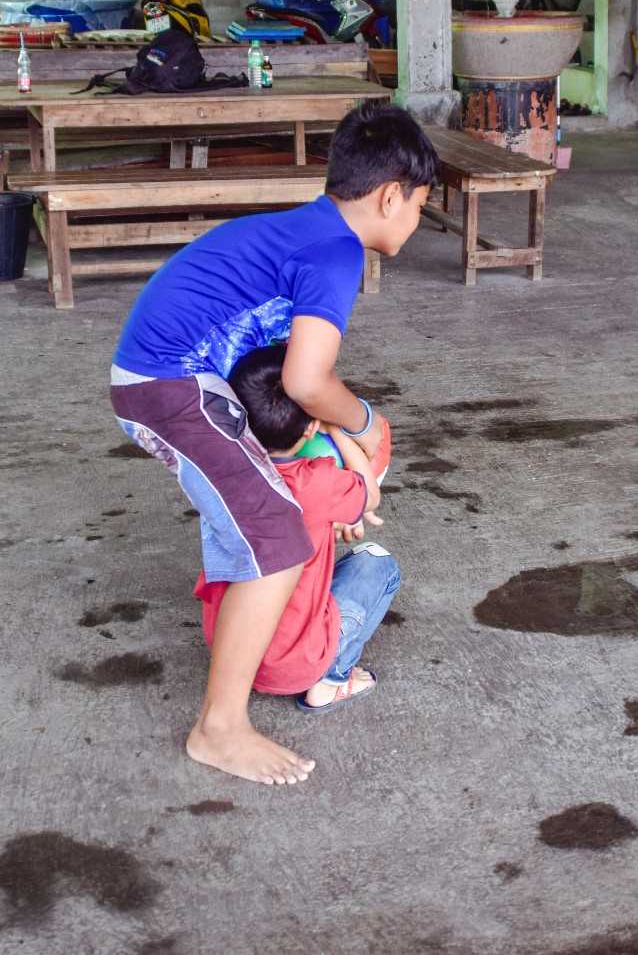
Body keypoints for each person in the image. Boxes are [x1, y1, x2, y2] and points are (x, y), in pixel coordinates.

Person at [110, 104, 438, 784]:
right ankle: (218, 729)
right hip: (167, 384)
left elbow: (299, 390)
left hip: (185, 379)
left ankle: (243, 650)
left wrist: (342, 439)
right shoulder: (337, 252)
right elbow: (306, 379)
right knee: (277, 532)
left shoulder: (309, 230)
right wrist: (366, 424)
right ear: (389, 195)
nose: (416, 220)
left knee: (268, 516)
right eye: (420, 206)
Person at [204, 344, 399, 714]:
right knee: (377, 563)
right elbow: (370, 495)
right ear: (310, 424)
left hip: (230, 657)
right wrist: (334, 427)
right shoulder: (316, 481)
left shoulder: (217, 472)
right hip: (292, 668)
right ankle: (331, 681)